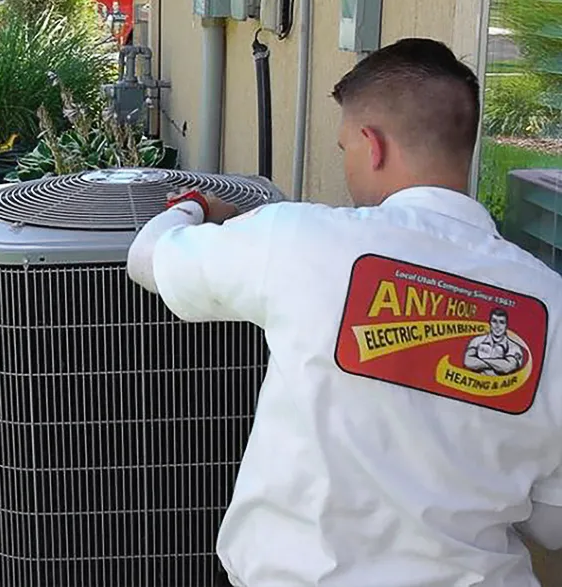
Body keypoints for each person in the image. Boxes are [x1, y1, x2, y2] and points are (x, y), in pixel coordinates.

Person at [127, 38, 562, 586]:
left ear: (371, 145)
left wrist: (197, 206)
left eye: (343, 149)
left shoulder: (300, 239)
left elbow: (148, 257)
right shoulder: (550, 303)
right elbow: (552, 523)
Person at [464, 308, 524, 375]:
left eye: (501, 322)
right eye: (494, 321)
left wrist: (479, 361)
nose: (497, 326)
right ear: (490, 323)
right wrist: (498, 364)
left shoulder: (514, 347)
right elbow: (468, 361)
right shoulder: (476, 341)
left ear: (506, 325)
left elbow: (507, 367)